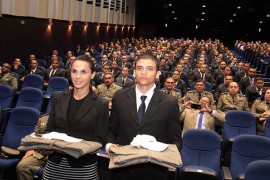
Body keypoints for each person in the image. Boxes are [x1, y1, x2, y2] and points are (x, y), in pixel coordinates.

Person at [106, 53, 182, 180]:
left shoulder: (170, 102)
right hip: (122, 168)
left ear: (158, 73)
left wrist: (163, 152)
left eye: (150, 69)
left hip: (154, 171)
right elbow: (111, 130)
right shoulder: (120, 96)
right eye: (140, 68)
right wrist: (109, 145)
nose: (144, 73)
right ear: (134, 71)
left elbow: (176, 140)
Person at [42, 55, 109, 180]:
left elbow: (99, 140)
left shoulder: (101, 104)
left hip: (83, 169)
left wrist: (67, 149)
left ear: (93, 74)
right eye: (74, 71)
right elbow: (49, 130)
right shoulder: (58, 98)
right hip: (54, 167)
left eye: (83, 72)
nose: (78, 77)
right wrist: (46, 147)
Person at [16, 115, 49, 180]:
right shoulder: (44, 118)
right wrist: (31, 148)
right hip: (41, 153)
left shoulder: (71, 120)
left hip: (63, 155)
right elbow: (35, 136)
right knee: (22, 166)